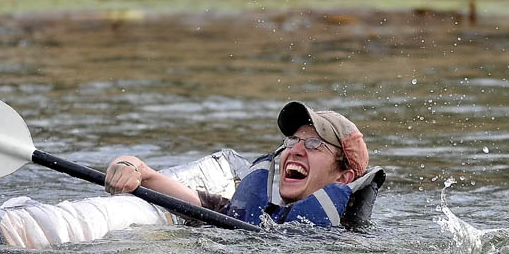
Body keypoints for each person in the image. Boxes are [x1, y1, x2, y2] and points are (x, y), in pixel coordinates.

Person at [105, 101, 385, 229]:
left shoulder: (351, 241)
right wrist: (128, 164)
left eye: (313, 144)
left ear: (344, 178)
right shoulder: (246, 212)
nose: (296, 150)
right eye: (292, 141)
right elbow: (149, 175)